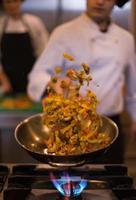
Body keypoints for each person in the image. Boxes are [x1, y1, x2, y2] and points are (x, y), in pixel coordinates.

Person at [27, 0, 136, 164]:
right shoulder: (63, 33)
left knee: (112, 183)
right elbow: (37, 75)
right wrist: (53, 83)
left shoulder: (126, 39)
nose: (100, 2)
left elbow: (133, 89)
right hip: (70, 129)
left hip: (110, 129)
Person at [0, 0, 49, 94]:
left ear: (21, 2)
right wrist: (3, 78)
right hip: (8, 80)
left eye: (15, 1)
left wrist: (39, 77)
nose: (12, 5)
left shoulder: (34, 22)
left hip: (33, 76)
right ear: (3, 4)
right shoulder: (1, 24)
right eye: (8, 2)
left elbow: (44, 52)